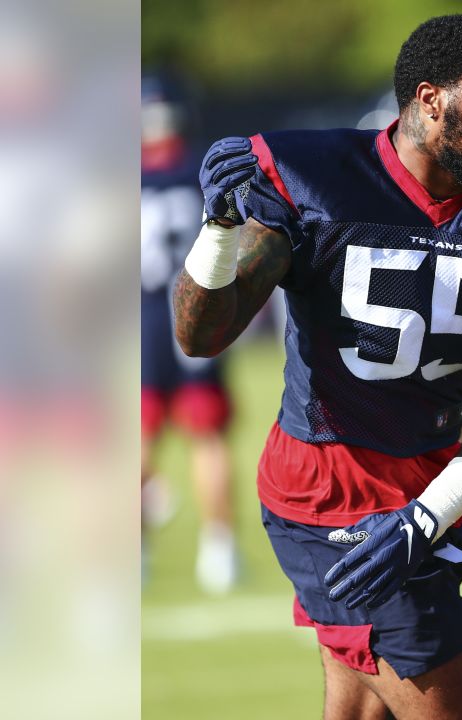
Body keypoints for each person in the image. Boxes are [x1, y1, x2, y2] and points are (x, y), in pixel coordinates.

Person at [172, 15, 462, 719]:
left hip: (432, 486)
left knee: (365, 712)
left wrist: (428, 517)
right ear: (431, 100)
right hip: (327, 496)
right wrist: (217, 233)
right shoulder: (312, 179)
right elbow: (202, 335)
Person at [140, 73, 240, 594]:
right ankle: (220, 552)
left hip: (142, 317)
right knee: (208, 437)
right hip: (198, 308)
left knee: (138, 440)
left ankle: (133, 554)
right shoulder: (203, 169)